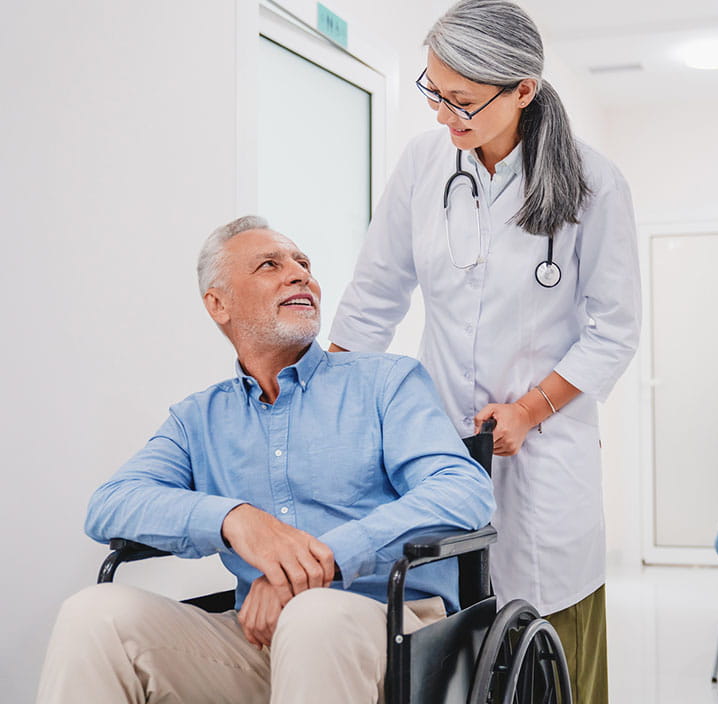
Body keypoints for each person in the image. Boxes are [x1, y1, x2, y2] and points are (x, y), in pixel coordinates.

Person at [35, 216, 495, 704]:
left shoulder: (386, 382)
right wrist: (235, 520)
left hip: (390, 632)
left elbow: (463, 489)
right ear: (218, 304)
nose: (299, 274)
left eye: (302, 263)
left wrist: (326, 560)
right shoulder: (198, 419)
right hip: (258, 639)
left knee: (313, 613)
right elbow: (110, 504)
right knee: (94, 615)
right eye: (269, 265)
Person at [328, 2, 642, 700]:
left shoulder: (595, 183)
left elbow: (613, 331)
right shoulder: (423, 163)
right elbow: (376, 294)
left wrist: (532, 410)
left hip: (543, 455)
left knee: (545, 641)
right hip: (438, 450)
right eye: (433, 91)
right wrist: (327, 400)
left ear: (522, 91)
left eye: (461, 101)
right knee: (451, 644)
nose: (443, 114)